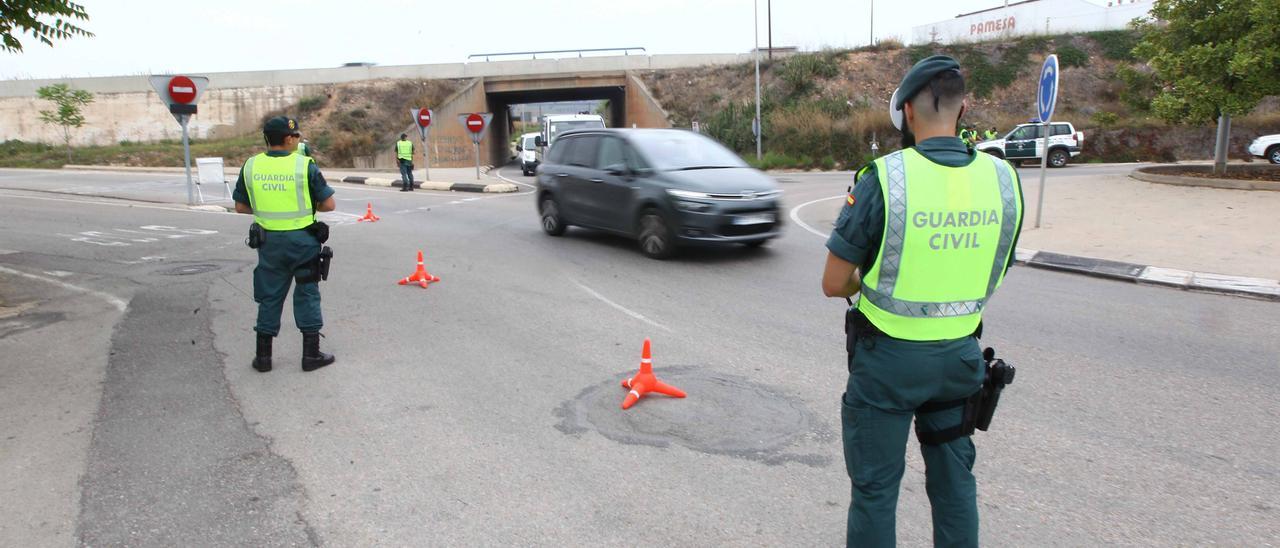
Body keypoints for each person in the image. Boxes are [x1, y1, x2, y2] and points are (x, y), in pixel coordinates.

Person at [821, 55, 1024, 547]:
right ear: (963, 108)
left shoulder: (884, 178)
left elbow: (834, 281)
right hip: (960, 360)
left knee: (875, 491)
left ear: (908, 110)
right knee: (955, 486)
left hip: (887, 365)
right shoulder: (1004, 180)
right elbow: (996, 270)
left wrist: (865, 287)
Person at [233, 116, 337, 373]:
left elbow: (240, 207)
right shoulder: (304, 165)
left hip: (269, 243)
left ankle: (264, 358)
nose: (297, 140)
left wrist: (269, 210)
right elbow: (329, 204)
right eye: (296, 136)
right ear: (288, 138)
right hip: (303, 242)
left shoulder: (251, 166)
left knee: (269, 296)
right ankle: (311, 355)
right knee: (307, 293)